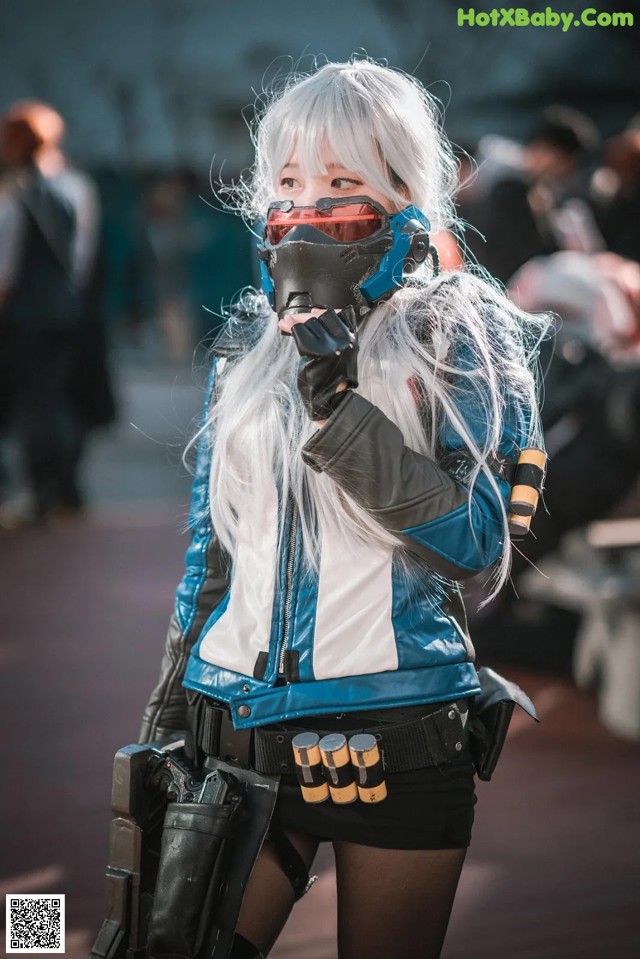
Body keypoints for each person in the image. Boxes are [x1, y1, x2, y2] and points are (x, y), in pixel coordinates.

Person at [138, 59, 546, 959]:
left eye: (341, 180)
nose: (307, 203)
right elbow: (212, 557)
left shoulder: (463, 333)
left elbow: (476, 548)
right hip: (231, 731)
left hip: (400, 735)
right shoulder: (249, 341)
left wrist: (340, 408)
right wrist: (163, 721)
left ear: (407, 189)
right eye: (287, 180)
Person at [0, 99, 114, 524]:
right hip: (64, 311)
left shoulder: (15, 196)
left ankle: (35, 490)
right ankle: (57, 485)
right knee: (53, 399)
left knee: (31, 403)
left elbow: (5, 269)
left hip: (24, 317)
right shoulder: (70, 190)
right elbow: (81, 260)